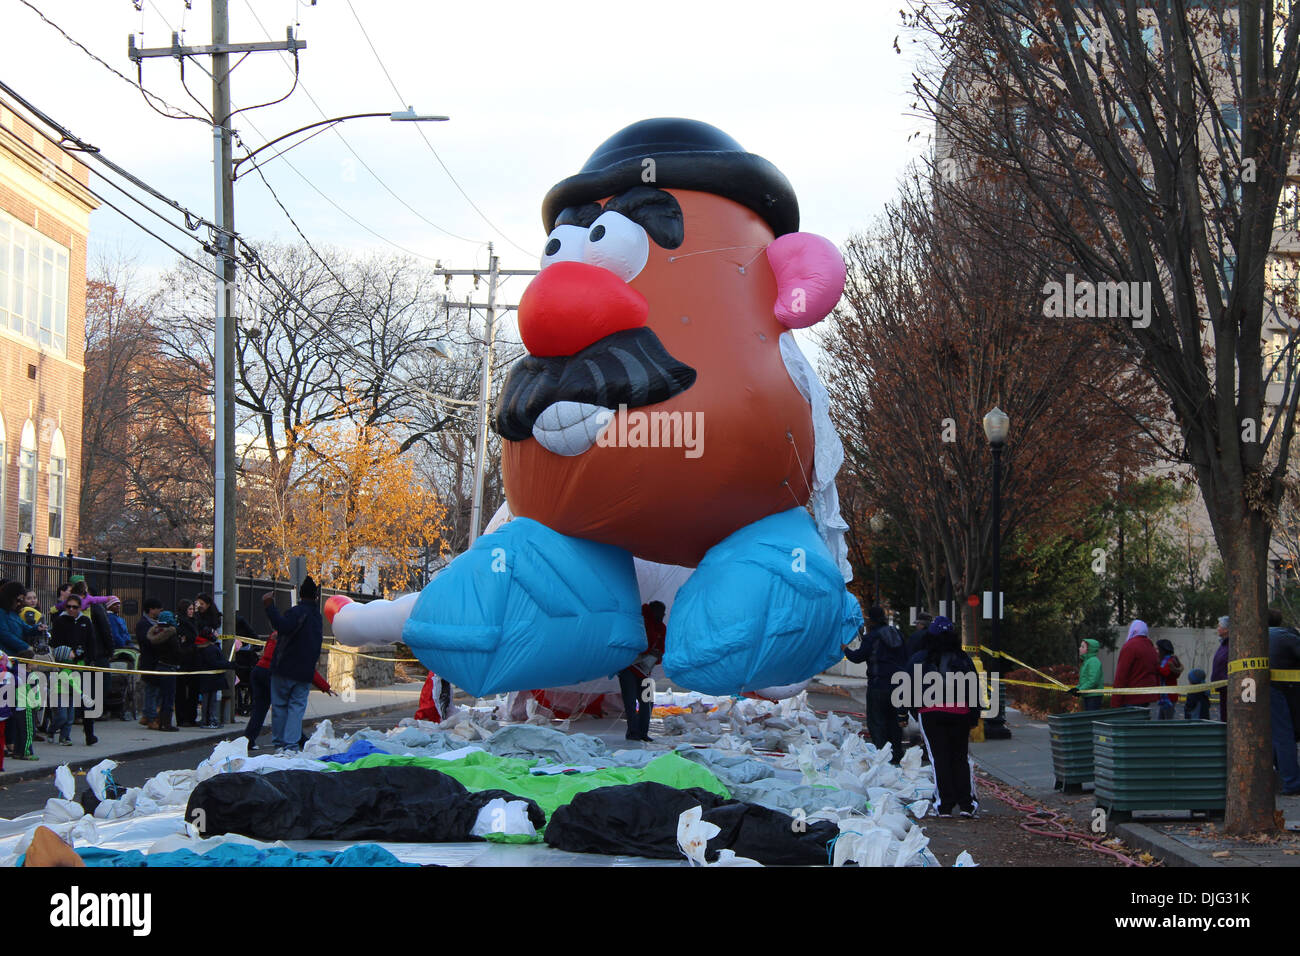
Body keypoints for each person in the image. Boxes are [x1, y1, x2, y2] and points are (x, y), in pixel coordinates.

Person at [908, 616, 980, 818]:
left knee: (939, 758)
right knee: (960, 757)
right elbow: (974, 686)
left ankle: (944, 804)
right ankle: (967, 803)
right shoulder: (963, 658)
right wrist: (974, 713)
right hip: (960, 711)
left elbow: (908, 686)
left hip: (930, 712)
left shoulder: (921, 658)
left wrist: (914, 710)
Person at [262, 577, 325, 753]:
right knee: (296, 707)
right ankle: (291, 745)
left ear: (300, 595)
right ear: (316, 597)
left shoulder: (296, 613)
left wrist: (270, 606)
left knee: (280, 705)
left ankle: (280, 744)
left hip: (284, 667)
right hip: (304, 671)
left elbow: (282, 626)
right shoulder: (317, 618)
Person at [243, 630, 332, 750]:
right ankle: (297, 739)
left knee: (259, 709)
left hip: (259, 670)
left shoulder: (275, 633)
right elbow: (306, 666)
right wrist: (324, 686)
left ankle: (249, 739)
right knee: (287, 708)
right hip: (274, 673)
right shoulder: (297, 638)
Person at [842, 605, 908, 764]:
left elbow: (858, 657)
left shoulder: (872, 637)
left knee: (877, 722)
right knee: (895, 722)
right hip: (898, 685)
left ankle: (882, 756)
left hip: (878, 686)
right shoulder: (897, 634)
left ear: (871, 620)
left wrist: (846, 649)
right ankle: (896, 755)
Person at [0, 581, 40, 760]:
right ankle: (20, 747)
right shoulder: (2, 614)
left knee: (20, 707)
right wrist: (25, 648)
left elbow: (25, 629)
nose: (20, 604)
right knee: (18, 707)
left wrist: (36, 629)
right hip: (10, 663)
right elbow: (4, 635)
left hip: (18, 663)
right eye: (18, 600)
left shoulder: (14, 615)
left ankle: (18, 745)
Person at [619, 600, 666, 742]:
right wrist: (649, 651)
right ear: (653, 612)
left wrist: (657, 656)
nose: (663, 616)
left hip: (646, 671)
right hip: (629, 668)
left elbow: (662, 648)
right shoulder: (640, 622)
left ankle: (643, 732)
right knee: (630, 702)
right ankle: (633, 732)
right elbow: (634, 642)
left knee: (648, 701)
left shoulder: (662, 628)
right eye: (660, 613)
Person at [1267, 609, 1300, 796]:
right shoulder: (1285, 636)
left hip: (1254, 691)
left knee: (1271, 735)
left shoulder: (1258, 637)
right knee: (1284, 736)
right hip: (1277, 690)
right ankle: (1292, 781)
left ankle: (1279, 776)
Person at [1112, 619, 1160, 716]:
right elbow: (1156, 672)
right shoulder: (1151, 648)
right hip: (1147, 697)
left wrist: (1115, 702)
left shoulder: (1130, 647)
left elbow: (1121, 675)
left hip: (1131, 697)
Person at [144, 610, 181, 732]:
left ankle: (159, 721)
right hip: (170, 667)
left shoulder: (154, 634)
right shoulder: (171, 635)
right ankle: (166, 723)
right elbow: (177, 653)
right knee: (168, 698)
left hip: (158, 666)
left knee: (161, 696)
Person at [193, 627, 234, 728]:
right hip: (210, 678)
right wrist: (229, 665)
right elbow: (214, 663)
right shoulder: (209, 649)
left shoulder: (207, 647)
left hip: (210, 678)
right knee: (209, 700)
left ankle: (208, 719)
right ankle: (208, 720)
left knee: (210, 699)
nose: (217, 634)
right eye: (214, 632)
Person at [135, 598, 164, 728]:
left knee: (153, 689)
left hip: (156, 660)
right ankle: (151, 717)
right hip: (149, 661)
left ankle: (147, 714)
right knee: (152, 690)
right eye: (158, 609)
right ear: (151, 609)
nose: (160, 611)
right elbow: (147, 641)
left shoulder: (156, 623)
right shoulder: (144, 624)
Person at [47, 645, 79, 746]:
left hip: (70, 694)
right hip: (59, 694)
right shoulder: (60, 669)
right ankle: (51, 730)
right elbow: (70, 682)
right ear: (64, 655)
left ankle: (64, 737)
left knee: (69, 718)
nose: (73, 653)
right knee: (62, 717)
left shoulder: (72, 666)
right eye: (70, 651)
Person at [174, 601, 200, 726]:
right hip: (183, 660)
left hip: (194, 660)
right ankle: (182, 717)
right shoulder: (180, 624)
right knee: (181, 691)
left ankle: (191, 717)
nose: (192, 611)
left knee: (193, 691)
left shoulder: (194, 622)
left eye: (192, 609)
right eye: (189, 609)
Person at [1154, 638, 1183, 720]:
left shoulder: (1170, 661)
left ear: (1162, 650)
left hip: (1169, 697)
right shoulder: (1165, 660)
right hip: (1164, 696)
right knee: (1161, 720)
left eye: (1157, 649)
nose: (1156, 651)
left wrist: (1156, 666)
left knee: (1168, 720)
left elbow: (1165, 672)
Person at [1073, 638, 1104, 711]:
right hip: (1088, 695)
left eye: (1082, 647)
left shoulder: (1093, 661)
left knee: (1091, 719)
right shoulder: (1087, 661)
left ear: (1090, 649)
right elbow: (1084, 680)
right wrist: (1076, 688)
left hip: (1093, 696)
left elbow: (1093, 681)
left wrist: (1080, 690)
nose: (1079, 648)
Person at [1211, 616, 1229, 724]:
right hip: (1222, 687)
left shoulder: (1231, 645)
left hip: (1228, 688)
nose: (1217, 628)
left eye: (1219, 626)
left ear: (1226, 629)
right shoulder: (1223, 645)